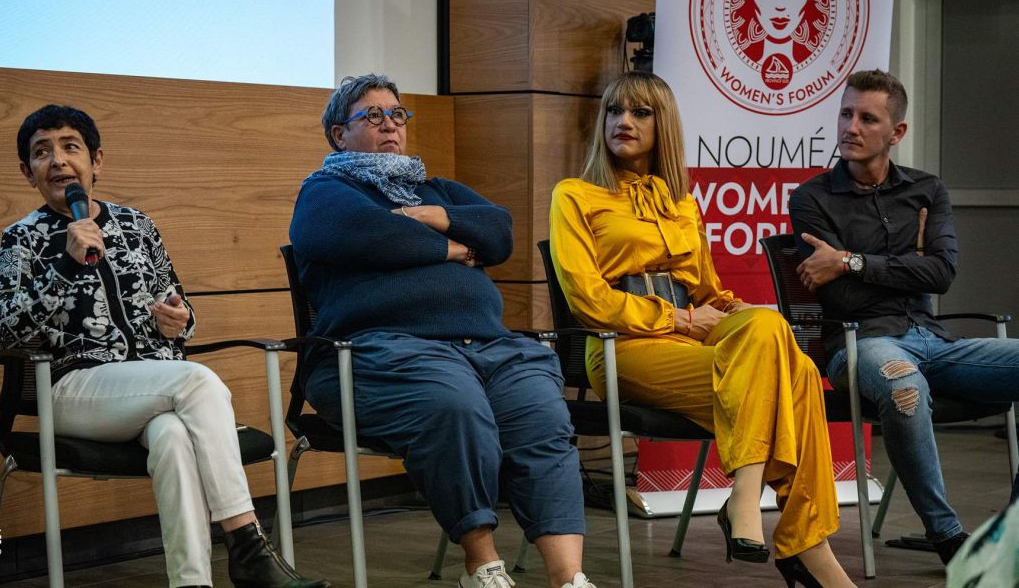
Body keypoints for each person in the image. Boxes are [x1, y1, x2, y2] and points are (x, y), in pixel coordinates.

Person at [0, 105, 329, 588]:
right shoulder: (21, 239)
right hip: (74, 391)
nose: (58, 160)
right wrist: (65, 264)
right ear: (28, 172)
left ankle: (192, 583)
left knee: (172, 436)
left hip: (151, 388)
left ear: (96, 161)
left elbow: (181, 308)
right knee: (198, 382)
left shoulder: (138, 226)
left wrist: (179, 320)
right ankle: (248, 545)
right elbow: (3, 328)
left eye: (70, 147)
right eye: (42, 152)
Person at [549, 71, 855, 588]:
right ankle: (801, 544)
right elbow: (589, 301)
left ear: (663, 124)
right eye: (614, 111)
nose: (623, 121)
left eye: (640, 112)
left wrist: (738, 312)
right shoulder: (574, 196)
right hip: (624, 347)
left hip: (693, 335)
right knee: (795, 378)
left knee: (769, 329)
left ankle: (751, 502)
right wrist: (680, 319)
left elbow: (709, 292)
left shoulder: (683, 203)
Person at [289, 74, 595, 588]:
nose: (391, 125)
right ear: (339, 134)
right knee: (454, 405)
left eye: (397, 114)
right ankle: (482, 565)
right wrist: (452, 246)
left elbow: (498, 230)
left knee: (542, 415)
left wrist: (435, 215)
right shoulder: (325, 192)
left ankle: (568, 578)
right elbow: (369, 234)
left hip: (490, 347)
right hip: (379, 353)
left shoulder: (435, 190)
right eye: (373, 115)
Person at [789, 68, 1019, 566]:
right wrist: (901, 268)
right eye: (845, 114)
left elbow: (941, 273)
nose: (850, 127)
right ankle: (949, 539)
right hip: (861, 345)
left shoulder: (927, 190)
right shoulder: (811, 198)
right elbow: (843, 299)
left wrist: (851, 261)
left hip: (935, 341)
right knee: (903, 387)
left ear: (896, 132)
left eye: (867, 119)